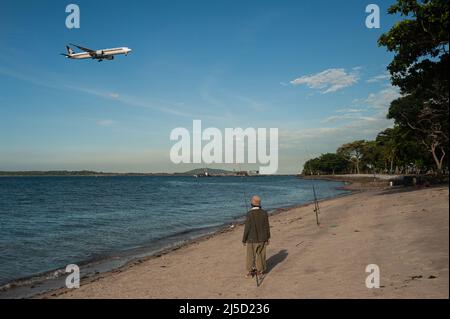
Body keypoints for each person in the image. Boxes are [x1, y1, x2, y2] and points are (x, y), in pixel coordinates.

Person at [242, 195, 270, 278]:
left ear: (252, 203)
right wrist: (268, 237)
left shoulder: (249, 214)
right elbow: (267, 226)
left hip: (251, 239)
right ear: (259, 204)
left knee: (250, 255)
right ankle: (259, 271)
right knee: (261, 255)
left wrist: (244, 239)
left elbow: (247, 228)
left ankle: (249, 272)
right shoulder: (264, 213)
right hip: (263, 238)